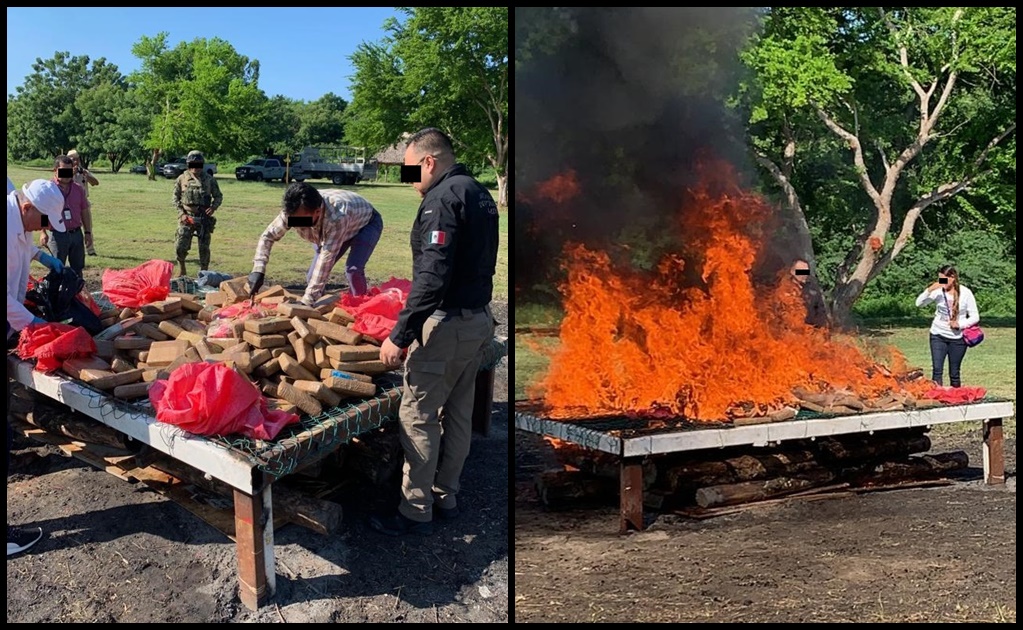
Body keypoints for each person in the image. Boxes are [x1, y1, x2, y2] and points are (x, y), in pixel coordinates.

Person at [371, 128, 499, 536]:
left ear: (429, 162)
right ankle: (448, 494)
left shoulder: (441, 200)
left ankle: (415, 509)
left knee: (419, 415)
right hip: (478, 318)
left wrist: (401, 333)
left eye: (410, 170)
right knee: (460, 411)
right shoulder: (479, 193)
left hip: (448, 325)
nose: (408, 180)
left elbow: (433, 275)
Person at [8, 178, 67, 557]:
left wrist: (44, 258)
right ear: (29, 208)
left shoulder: (19, 219)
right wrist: (32, 323)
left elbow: (21, 252)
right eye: (44, 221)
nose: (45, 230)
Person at [247, 182, 383, 304]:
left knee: (353, 269)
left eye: (300, 220)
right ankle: (323, 307)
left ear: (317, 212)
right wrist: (258, 270)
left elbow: (326, 259)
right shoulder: (294, 212)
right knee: (312, 277)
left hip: (366, 223)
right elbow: (268, 237)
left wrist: (307, 301)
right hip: (336, 227)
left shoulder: (337, 217)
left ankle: (360, 306)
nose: (296, 223)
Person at [915, 265, 980, 388]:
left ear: (953, 278)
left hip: (958, 338)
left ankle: (956, 400)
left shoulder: (966, 293)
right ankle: (937, 399)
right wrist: (929, 290)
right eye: (940, 279)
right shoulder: (937, 292)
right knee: (937, 370)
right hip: (938, 335)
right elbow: (919, 304)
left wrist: (960, 324)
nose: (942, 282)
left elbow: (975, 316)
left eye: (944, 279)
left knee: (954, 372)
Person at [38, 155, 92, 278]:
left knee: (77, 269)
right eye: (63, 170)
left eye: (69, 170)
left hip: (76, 234)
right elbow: (43, 211)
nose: (67, 174)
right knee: (56, 269)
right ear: (55, 170)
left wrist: (88, 232)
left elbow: (84, 211)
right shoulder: (48, 189)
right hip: (57, 235)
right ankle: (54, 295)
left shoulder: (78, 189)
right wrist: (43, 232)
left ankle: (77, 294)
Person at [173, 150, 223, 277]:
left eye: (198, 164)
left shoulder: (209, 180)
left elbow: (218, 196)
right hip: (187, 218)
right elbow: (175, 198)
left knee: (204, 248)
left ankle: (203, 272)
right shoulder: (182, 179)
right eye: (192, 164)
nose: (195, 168)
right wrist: (181, 214)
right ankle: (182, 268)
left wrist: (213, 208)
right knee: (180, 246)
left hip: (203, 218)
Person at [66, 149, 99, 255]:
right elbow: (61, 180)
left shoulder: (83, 171)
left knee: (88, 226)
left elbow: (96, 183)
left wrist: (87, 175)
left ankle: (90, 249)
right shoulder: (65, 171)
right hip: (70, 204)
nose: (76, 161)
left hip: (83, 203)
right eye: (73, 159)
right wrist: (72, 173)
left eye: (77, 159)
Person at [788, 258, 829, 328]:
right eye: (800, 271)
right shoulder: (782, 289)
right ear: (792, 271)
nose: (804, 274)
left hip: (808, 332)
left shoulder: (813, 291)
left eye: (806, 272)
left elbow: (821, 314)